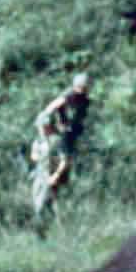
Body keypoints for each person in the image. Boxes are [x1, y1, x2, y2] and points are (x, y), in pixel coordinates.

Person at [30, 72, 92, 220]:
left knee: (60, 177)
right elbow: (48, 111)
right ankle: (44, 216)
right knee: (49, 181)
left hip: (70, 137)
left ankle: (53, 212)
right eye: (81, 86)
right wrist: (48, 127)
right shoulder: (68, 96)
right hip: (61, 138)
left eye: (84, 87)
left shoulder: (84, 100)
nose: (82, 89)